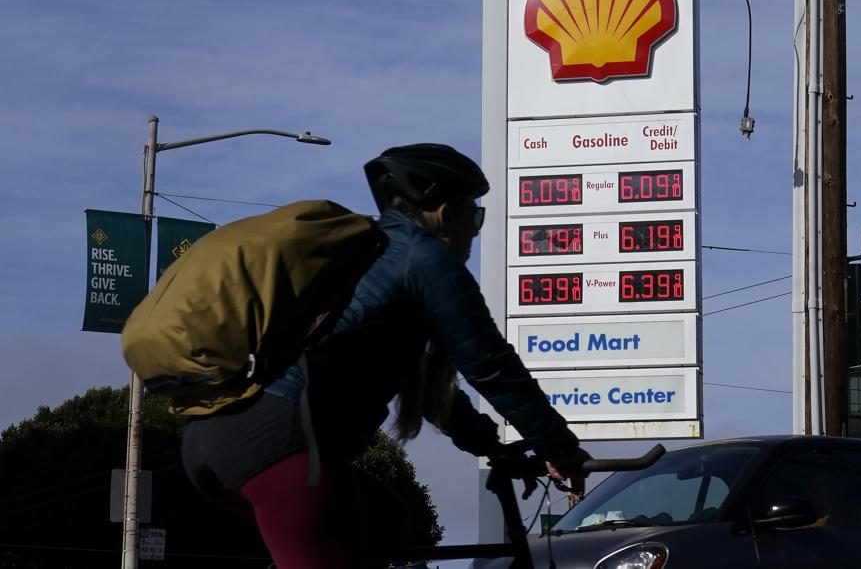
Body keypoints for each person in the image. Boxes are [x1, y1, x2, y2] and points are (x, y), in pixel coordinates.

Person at [181, 143, 590, 568]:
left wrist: (490, 444)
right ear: (446, 213)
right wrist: (561, 449)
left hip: (213, 438)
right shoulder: (426, 259)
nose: (475, 229)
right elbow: (490, 365)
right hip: (278, 442)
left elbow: (430, 390)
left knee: (385, 520)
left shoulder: (369, 255)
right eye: (476, 214)